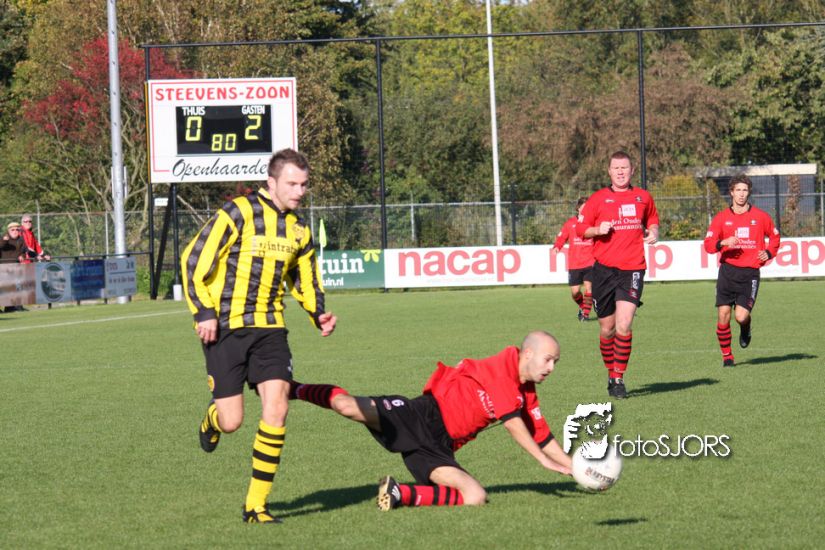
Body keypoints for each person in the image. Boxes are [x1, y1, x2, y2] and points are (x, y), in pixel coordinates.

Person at [181, 148, 337, 524]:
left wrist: (317, 312)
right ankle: (214, 419)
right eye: (292, 184)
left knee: (277, 407)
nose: (300, 191)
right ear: (271, 181)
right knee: (232, 421)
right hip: (226, 327)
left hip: (270, 329)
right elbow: (193, 259)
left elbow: (304, 278)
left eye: (304, 185)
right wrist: (203, 312)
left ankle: (256, 506)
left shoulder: (299, 229)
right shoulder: (238, 211)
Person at [290, 330, 572, 511]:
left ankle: (398, 493)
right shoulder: (502, 368)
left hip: (438, 447)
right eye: (548, 359)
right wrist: (544, 461)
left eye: (556, 362)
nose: (551, 368)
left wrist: (575, 468)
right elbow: (513, 424)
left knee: (474, 496)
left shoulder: (525, 392)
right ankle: (294, 389)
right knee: (346, 405)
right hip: (419, 416)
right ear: (528, 353)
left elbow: (541, 434)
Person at [576, 151, 659, 399]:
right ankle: (610, 372)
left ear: (632, 170)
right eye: (616, 168)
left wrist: (654, 232)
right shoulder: (598, 199)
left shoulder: (643, 197)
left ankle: (618, 378)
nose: (621, 172)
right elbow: (580, 229)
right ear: (609, 171)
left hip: (633, 269)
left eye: (625, 168)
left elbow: (652, 219)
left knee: (624, 324)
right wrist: (597, 230)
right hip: (603, 271)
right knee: (607, 329)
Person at [703, 174, 780, 367]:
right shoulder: (721, 218)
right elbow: (709, 245)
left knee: (741, 316)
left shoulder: (761, 217)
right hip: (727, 272)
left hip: (750, 274)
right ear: (731, 192)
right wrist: (723, 242)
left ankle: (746, 328)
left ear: (749, 192)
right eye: (738, 190)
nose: (741, 194)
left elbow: (775, 237)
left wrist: (769, 252)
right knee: (723, 315)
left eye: (745, 190)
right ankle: (727, 356)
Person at [553, 197, 595, 321]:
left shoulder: (594, 223)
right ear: (578, 208)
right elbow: (562, 237)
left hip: (590, 261)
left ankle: (585, 315)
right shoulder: (570, 223)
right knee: (575, 292)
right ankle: (583, 307)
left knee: (589, 288)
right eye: (584, 207)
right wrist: (557, 247)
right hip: (575, 263)